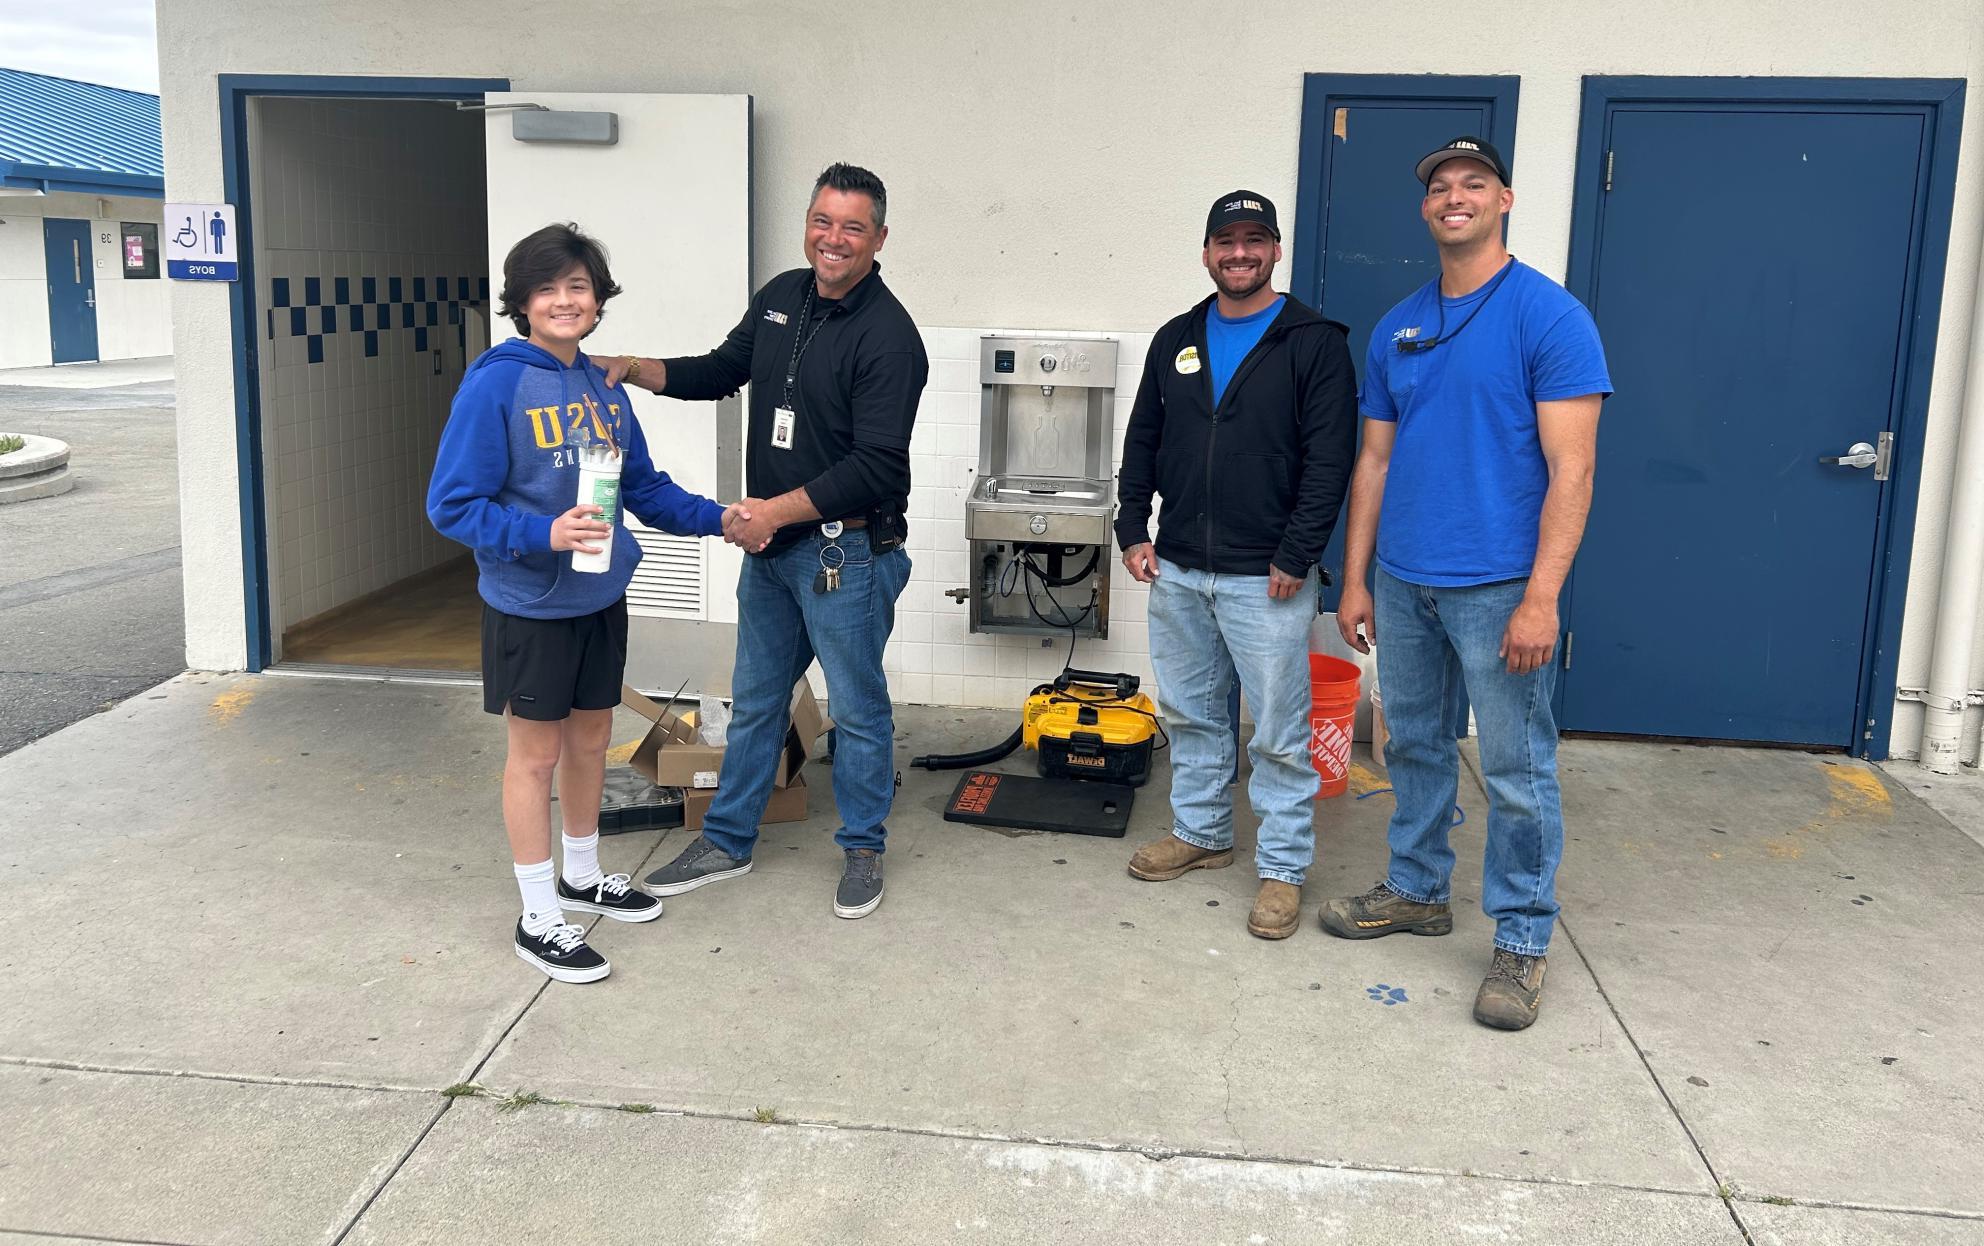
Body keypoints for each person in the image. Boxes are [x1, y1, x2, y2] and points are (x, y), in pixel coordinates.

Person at [1323, 137, 1611, 1030]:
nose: (1456, 198)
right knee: (1411, 744)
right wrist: (1358, 576)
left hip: (1499, 588)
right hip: (1405, 582)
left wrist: (1541, 597)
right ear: (1425, 209)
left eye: (1473, 185)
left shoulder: (1549, 317)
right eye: (1441, 188)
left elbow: (1575, 472)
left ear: (1505, 200)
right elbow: (1373, 460)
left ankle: (1522, 939)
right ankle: (1416, 888)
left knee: (1518, 769)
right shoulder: (1399, 325)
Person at [597, 163, 926, 920]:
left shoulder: (890, 338)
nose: (832, 239)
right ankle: (727, 839)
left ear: (879, 238)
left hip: (846, 555)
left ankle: (864, 847)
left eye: (851, 227)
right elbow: (722, 369)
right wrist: (635, 368)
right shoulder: (783, 296)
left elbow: (877, 466)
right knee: (754, 702)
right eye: (822, 220)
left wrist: (774, 512)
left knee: (858, 706)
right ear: (806, 223)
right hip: (774, 556)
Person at [427, 223, 739, 983]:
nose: (565, 301)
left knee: (593, 743)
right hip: (529, 606)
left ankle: (582, 871)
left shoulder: (603, 386)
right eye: (548, 288)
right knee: (533, 760)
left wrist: (723, 518)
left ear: (598, 300)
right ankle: (539, 915)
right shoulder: (496, 383)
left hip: (599, 597)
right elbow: (452, 505)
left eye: (579, 287)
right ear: (522, 302)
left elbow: (645, 490)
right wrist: (543, 533)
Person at [1115, 190, 1357, 940]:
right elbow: (1144, 439)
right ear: (1207, 252)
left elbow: (1330, 461)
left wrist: (1299, 553)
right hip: (1180, 568)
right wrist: (1131, 525)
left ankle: (1282, 870)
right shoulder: (1177, 337)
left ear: (1276, 250)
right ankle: (1202, 834)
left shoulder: (1313, 342)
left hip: (1269, 576)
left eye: (1255, 240)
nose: (1240, 253)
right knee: (1190, 714)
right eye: (1226, 240)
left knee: (1279, 732)